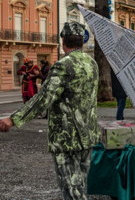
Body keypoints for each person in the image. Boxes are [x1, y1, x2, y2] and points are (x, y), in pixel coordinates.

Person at [0, 22, 99, 200]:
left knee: (71, 190)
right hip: (87, 134)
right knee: (81, 185)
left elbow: (43, 99)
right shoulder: (92, 63)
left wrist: (13, 119)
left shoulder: (64, 65)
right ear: (81, 41)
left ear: (63, 41)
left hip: (67, 136)